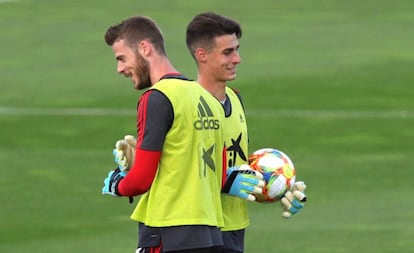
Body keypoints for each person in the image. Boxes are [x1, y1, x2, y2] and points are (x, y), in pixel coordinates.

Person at [101, 16, 263, 253]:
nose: (120, 69)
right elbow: (208, 163)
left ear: (144, 48)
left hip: (168, 229)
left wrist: (118, 184)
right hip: (210, 231)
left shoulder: (156, 98)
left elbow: (141, 180)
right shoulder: (205, 97)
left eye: (122, 58)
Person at [186, 12, 307, 253]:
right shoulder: (184, 103)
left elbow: (236, 164)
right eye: (228, 52)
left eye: (237, 49)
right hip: (194, 230)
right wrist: (224, 181)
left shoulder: (235, 99)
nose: (238, 59)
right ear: (202, 55)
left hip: (233, 228)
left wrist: (279, 185)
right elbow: (178, 168)